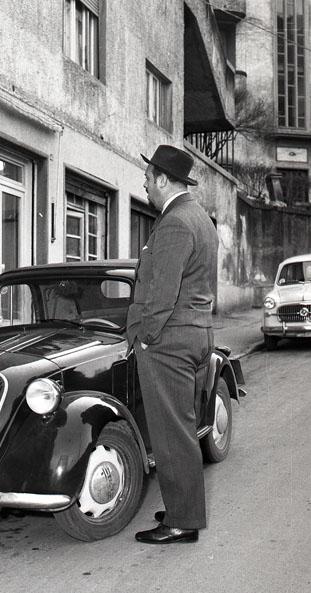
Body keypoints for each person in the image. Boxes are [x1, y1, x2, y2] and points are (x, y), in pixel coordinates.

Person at [126, 145, 218, 544]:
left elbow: (161, 294)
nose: (145, 184)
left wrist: (145, 337)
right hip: (194, 334)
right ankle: (183, 508)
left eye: (148, 178)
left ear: (163, 179)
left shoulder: (175, 222)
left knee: (170, 434)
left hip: (169, 340)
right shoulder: (199, 218)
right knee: (182, 429)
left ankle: (181, 521)